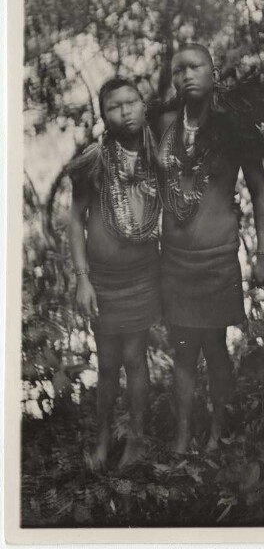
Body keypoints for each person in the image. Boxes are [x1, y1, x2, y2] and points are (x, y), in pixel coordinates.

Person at [154, 43, 264, 454]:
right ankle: (183, 434)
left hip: (217, 256)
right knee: (183, 350)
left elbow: (259, 193)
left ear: (212, 72)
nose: (186, 75)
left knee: (214, 346)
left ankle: (217, 432)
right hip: (173, 258)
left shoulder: (235, 124)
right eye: (178, 70)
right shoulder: (162, 121)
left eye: (195, 66)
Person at [66, 77, 162, 469]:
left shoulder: (159, 156)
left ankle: (136, 440)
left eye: (131, 102)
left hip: (143, 276)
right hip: (103, 280)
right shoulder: (93, 161)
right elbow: (75, 222)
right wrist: (82, 277)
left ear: (144, 105)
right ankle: (103, 438)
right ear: (103, 116)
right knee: (106, 364)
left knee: (136, 358)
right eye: (114, 106)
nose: (124, 111)